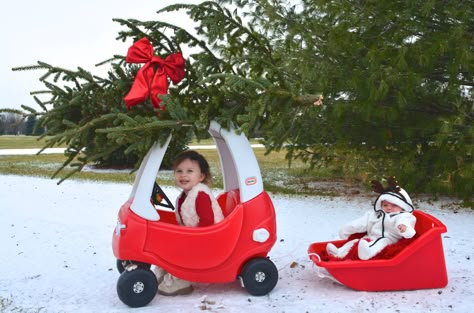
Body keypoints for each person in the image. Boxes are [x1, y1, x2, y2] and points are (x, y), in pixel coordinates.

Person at [154, 150, 224, 296]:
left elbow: (207, 222)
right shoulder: (183, 196)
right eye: (179, 171)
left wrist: (190, 239)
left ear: (201, 176)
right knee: (169, 243)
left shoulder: (201, 195)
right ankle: (164, 269)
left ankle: (182, 280)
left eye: (189, 171)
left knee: (180, 251)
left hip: (211, 239)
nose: (183, 175)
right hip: (195, 236)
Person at [326, 177, 416, 260]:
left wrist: (404, 228)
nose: (389, 208)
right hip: (371, 237)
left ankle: (368, 253)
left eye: (394, 205)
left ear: (403, 206)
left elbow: (408, 226)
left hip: (389, 239)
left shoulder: (402, 216)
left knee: (380, 242)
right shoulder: (376, 214)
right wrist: (348, 228)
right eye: (385, 205)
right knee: (356, 242)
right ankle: (338, 253)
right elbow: (362, 222)